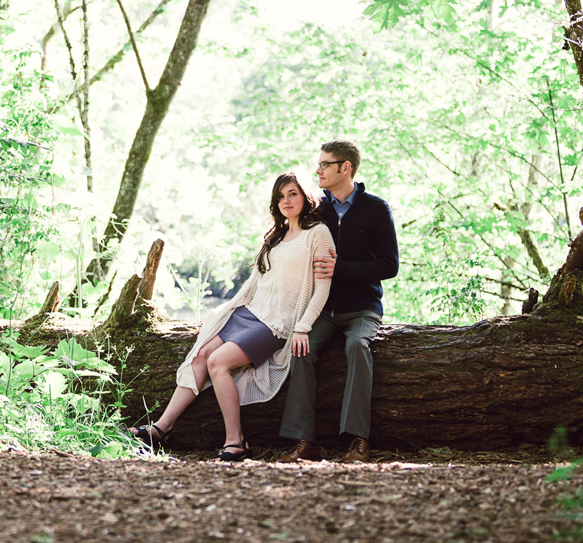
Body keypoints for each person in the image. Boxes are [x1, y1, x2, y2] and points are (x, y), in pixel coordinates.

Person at [128, 171, 334, 461]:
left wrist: (302, 327)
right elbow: (255, 284)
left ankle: (236, 441)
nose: (286, 201)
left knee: (218, 362)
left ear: (305, 196)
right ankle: (161, 428)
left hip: (276, 324)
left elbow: (322, 288)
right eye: (281, 196)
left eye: (293, 194)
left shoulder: (318, 234)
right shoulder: (277, 234)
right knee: (200, 356)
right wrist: (226, 310)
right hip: (249, 314)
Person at [277, 140, 399, 464]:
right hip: (322, 310)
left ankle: (358, 440)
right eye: (318, 164)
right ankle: (305, 441)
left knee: (358, 346)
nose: (318, 170)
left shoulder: (376, 209)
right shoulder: (318, 210)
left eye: (325, 164)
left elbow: (390, 265)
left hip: (363, 308)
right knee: (300, 350)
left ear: (345, 168)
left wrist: (342, 268)